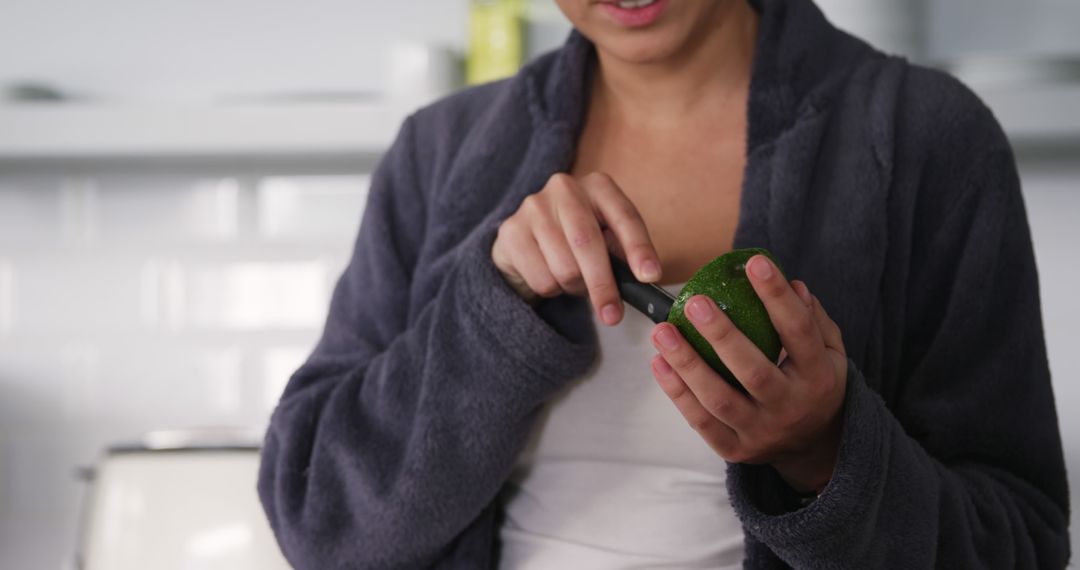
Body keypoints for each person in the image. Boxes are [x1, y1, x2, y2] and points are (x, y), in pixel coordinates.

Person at [257, 0, 1070, 567]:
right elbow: (321, 523)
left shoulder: (925, 138)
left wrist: (825, 454)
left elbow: (1020, 544)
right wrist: (490, 308)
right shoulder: (438, 154)